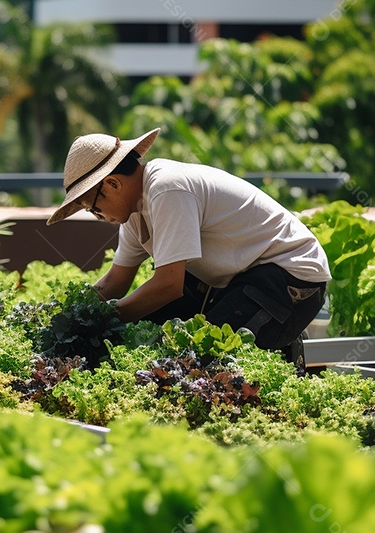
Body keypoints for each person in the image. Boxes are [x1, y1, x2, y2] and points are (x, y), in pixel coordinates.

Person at [46, 128, 331, 367]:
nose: (97, 216)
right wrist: (69, 316)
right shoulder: (134, 214)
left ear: (112, 184)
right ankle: (272, 339)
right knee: (147, 334)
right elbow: (114, 281)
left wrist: (100, 322)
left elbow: (169, 285)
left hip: (291, 279)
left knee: (204, 360)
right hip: (235, 280)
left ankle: (282, 344)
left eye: (93, 207)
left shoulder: (166, 187)